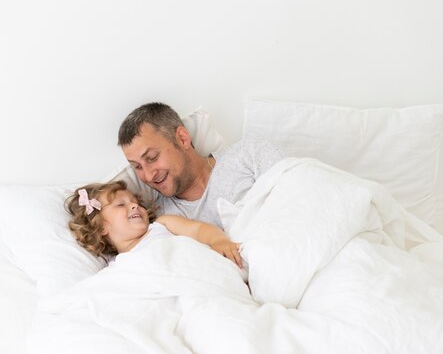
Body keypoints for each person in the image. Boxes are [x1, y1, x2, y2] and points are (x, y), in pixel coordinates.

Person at [117, 102, 287, 228]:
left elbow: (299, 191)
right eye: (137, 167)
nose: (148, 175)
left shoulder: (249, 154)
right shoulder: (161, 221)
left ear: (182, 138)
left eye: (152, 157)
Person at [65, 180, 243, 268]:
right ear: (101, 227)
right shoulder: (116, 267)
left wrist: (218, 241)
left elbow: (198, 229)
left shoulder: (161, 225)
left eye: (136, 202)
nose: (134, 205)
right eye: (121, 204)